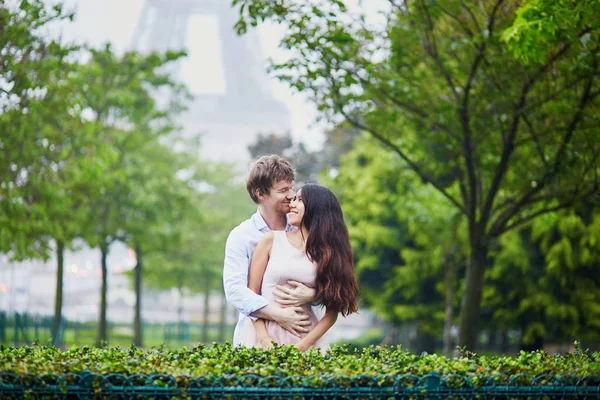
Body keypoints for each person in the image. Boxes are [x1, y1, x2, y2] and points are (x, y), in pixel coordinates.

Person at [239, 184, 359, 352]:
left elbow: (332, 311)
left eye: (300, 200)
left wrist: (302, 346)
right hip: (264, 336)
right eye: (294, 199)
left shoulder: (328, 254)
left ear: (317, 208)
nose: (292, 204)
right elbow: (251, 295)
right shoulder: (271, 240)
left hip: (305, 339)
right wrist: (264, 338)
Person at [223, 155, 317, 346]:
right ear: (260, 194)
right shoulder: (242, 236)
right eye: (283, 190)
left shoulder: (304, 231)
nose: (291, 195)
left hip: (301, 336)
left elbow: (327, 282)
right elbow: (235, 290)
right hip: (255, 337)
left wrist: (314, 294)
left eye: (291, 187)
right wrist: (279, 315)